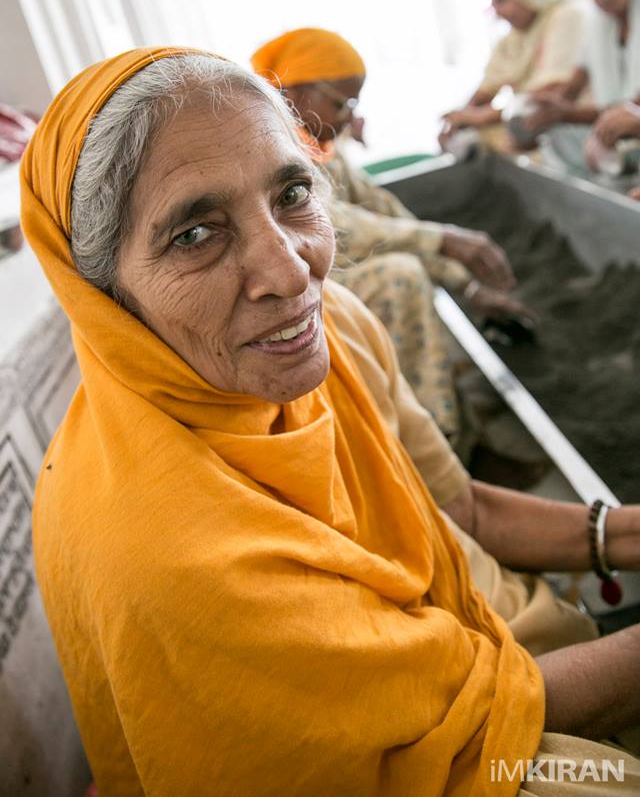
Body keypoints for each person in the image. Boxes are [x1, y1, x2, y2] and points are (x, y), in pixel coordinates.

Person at [22, 48, 640, 796]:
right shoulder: (169, 559)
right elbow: (472, 735)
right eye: (195, 234)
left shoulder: (334, 331)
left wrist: (622, 537)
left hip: (509, 650)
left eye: (291, 193)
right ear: (103, 296)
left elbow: (463, 508)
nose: (291, 272)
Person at [251, 27, 531, 439]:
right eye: (341, 102)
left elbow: (384, 212)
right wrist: (444, 239)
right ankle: (439, 442)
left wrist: (466, 284)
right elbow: (337, 222)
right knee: (400, 276)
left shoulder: (323, 147)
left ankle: (451, 427)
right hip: (289, 303)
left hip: (325, 284)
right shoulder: (273, 154)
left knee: (405, 250)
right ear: (294, 91)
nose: (349, 116)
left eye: (354, 103)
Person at [439, 0, 584, 157]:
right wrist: (458, 121)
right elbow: (484, 92)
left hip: (566, 129)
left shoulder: (564, 16)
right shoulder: (511, 41)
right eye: (493, 2)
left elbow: (550, 94)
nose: (497, 12)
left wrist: (481, 117)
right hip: (523, 124)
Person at [523, 0, 640, 175]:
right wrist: (545, 106)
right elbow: (570, 89)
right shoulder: (599, 28)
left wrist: (567, 113)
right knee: (554, 135)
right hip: (618, 130)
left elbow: (632, 110)